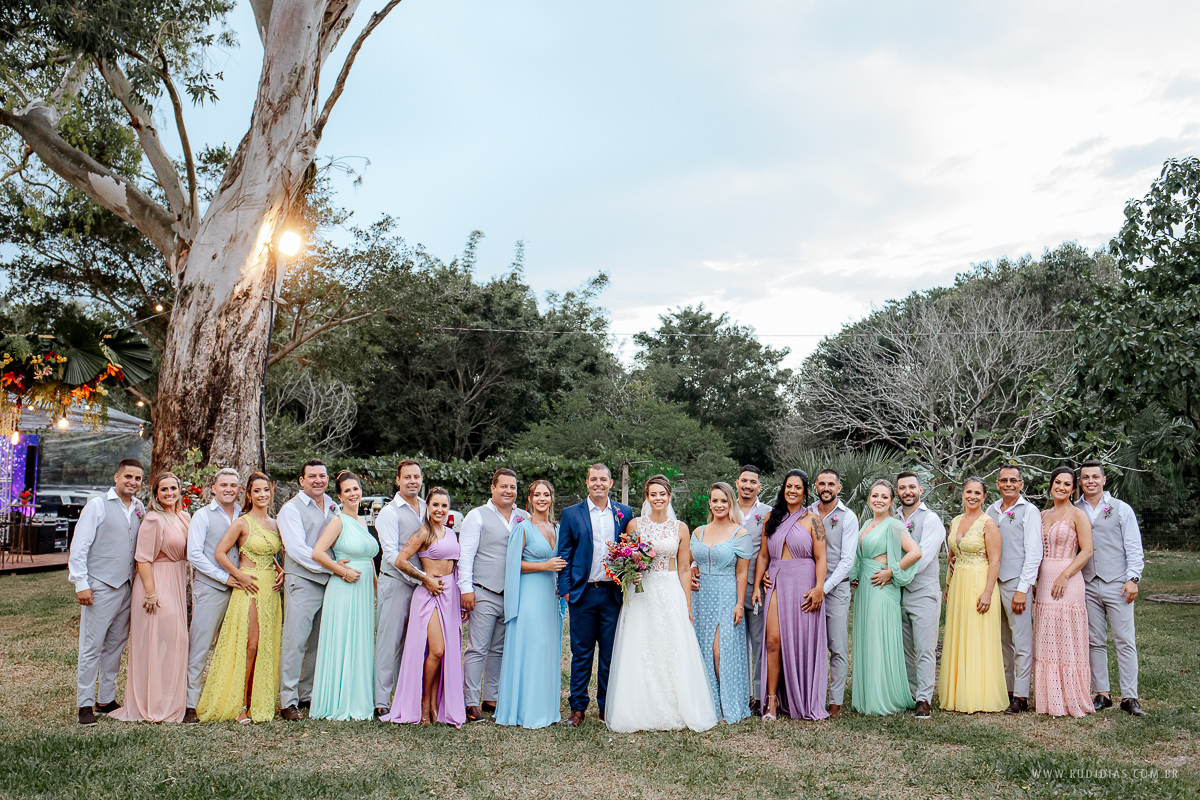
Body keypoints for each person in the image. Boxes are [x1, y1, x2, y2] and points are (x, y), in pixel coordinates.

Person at [606, 475, 717, 732]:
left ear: (669, 496)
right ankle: (640, 709)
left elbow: (684, 569)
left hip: (669, 589)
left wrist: (687, 603)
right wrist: (630, 573)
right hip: (642, 591)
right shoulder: (634, 525)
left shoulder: (680, 528)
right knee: (642, 644)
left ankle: (676, 706)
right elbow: (626, 559)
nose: (658, 498)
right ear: (647, 497)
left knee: (671, 644)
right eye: (653, 494)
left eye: (662, 494)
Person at [196, 472, 285, 723]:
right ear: (248, 494)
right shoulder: (242, 522)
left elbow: (269, 552)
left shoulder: (275, 524)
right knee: (251, 645)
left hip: (270, 589)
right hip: (250, 587)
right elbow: (220, 553)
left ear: (271, 492)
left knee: (265, 645)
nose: (262, 495)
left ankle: (257, 701)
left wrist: (280, 570)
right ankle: (239, 706)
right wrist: (238, 576)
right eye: (257, 491)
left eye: (266, 490)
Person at [556, 463, 634, 727]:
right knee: (581, 653)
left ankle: (606, 706)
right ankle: (577, 708)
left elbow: (630, 549)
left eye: (603, 479)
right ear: (587, 482)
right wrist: (566, 590)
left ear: (611, 483)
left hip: (612, 594)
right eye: (593, 479)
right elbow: (564, 553)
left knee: (610, 654)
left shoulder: (624, 513)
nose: (598, 483)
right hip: (583, 594)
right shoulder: (571, 514)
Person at [69, 459, 145, 726]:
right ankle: (84, 704)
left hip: (127, 586)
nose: (132, 482)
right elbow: (79, 546)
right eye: (128, 477)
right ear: (116, 477)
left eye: (137, 478)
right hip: (100, 585)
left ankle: (106, 699)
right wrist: (81, 583)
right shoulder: (97, 505)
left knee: (115, 645)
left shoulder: (139, 507)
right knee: (92, 646)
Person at [381, 487, 465, 726]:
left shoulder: (451, 534)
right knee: (436, 650)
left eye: (444, 505)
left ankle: (435, 705)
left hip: (450, 595)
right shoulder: (422, 533)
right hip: (430, 595)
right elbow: (400, 560)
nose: (440, 509)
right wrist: (424, 578)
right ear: (427, 507)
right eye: (435, 505)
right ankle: (423, 702)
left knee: (443, 653)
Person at [112, 472, 191, 722]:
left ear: (179, 490)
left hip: (176, 581)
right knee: (159, 642)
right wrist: (150, 592)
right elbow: (143, 558)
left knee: (177, 642)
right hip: (156, 583)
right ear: (156, 494)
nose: (169, 493)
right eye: (163, 489)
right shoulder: (153, 520)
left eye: (173, 488)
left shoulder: (183, 517)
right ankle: (150, 704)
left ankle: (167, 699)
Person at [751, 469, 829, 722]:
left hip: (804, 582)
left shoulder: (813, 520)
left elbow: (821, 558)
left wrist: (819, 588)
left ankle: (801, 696)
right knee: (773, 641)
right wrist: (757, 585)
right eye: (788, 486)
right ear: (783, 489)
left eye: (797, 487)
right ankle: (772, 700)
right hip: (775, 580)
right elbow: (763, 555)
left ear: (805, 492)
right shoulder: (771, 517)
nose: (792, 491)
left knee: (801, 641)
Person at [1075, 461, 1146, 716]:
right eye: (1085, 477)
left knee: (1124, 640)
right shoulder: (1075, 509)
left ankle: (1130, 697)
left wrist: (1133, 578)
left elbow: (1133, 546)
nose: (1090, 481)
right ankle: (1102, 694)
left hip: (1117, 583)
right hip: (1087, 583)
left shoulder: (1121, 508)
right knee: (1095, 641)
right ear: (1080, 481)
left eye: (1095, 476)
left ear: (1104, 480)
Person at [496, 479, 567, 728]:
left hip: (551, 596)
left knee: (547, 648)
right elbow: (513, 564)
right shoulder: (522, 528)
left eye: (546, 494)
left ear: (551, 498)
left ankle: (546, 708)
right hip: (529, 595)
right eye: (537, 495)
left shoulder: (558, 528)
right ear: (530, 499)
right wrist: (544, 565)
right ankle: (525, 710)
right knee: (532, 647)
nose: (542, 499)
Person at [848, 479, 922, 715]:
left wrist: (892, 571)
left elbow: (915, 552)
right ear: (869, 498)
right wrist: (855, 574)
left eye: (884, 497)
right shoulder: (867, 523)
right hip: (865, 587)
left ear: (891, 501)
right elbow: (859, 555)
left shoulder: (894, 525)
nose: (878, 500)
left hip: (882, 588)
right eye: (875, 495)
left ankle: (883, 697)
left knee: (879, 638)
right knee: (867, 637)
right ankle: (867, 694)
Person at [309, 471, 379, 720]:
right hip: (344, 588)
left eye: (356, 489)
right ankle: (338, 700)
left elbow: (369, 559)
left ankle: (358, 697)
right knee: (343, 640)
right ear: (339, 496)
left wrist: (375, 588)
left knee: (359, 640)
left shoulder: (362, 521)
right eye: (347, 490)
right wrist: (342, 571)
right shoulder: (338, 521)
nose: (353, 494)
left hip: (363, 590)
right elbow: (318, 552)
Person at [458, 468, 524, 722]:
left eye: (512, 487)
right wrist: (466, 589)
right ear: (493, 488)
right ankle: (470, 701)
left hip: (511, 594)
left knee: (499, 648)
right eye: (503, 486)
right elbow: (466, 555)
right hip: (483, 591)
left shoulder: (523, 516)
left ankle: (491, 697)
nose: (508, 491)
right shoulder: (477, 516)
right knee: (477, 648)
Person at [938, 477, 1008, 713]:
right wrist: (948, 585)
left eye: (978, 493)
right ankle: (958, 692)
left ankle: (979, 695)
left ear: (984, 496)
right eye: (969, 492)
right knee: (960, 634)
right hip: (959, 583)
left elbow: (995, 561)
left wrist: (987, 592)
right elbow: (952, 555)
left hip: (980, 582)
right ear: (963, 494)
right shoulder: (956, 521)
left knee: (977, 636)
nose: (972, 496)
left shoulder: (988, 524)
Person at [277, 460, 338, 721]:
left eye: (322, 476)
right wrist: (333, 568)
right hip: (302, 580)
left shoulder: (333, 506)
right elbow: (297, 550)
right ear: (301, 481)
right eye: (312, 476)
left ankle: (307, 694)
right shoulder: (290, 509)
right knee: (295, 641)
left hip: (331, 582)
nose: (318, 480)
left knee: (318, 641)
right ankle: (288, 700)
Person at [1034, 467, 1095, 717]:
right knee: (1046, 635)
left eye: (1067, 484)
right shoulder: (1041, 515)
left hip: (1068, 580)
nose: (1061, 487)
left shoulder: (1078, 515)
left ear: (1073, 489)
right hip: (1043, 580)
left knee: (1066, 635)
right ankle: (1049, 699)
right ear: (1051, 485)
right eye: (1057, 482)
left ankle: (1070, 697)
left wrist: (1065, 575)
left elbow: (1087, 551)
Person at [691, 482, 754, 723]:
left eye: (723, 501)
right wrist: (693, 569)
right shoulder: (698, 532)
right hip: (700, 596)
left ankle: (727, 705)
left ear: (731, 503)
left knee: (720, 651)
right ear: (709, 503)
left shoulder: (740, 534)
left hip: (727, 595)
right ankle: (709, 705)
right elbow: (688, 562)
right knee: (702, 650)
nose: (719, 505)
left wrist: (739, 604)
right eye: (715, 500)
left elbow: (742, 572)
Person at [184, 467, 242, 723]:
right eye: (224, 485)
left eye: (233, 485)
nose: (229, 489)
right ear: (214, 489)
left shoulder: (244, 514)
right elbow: (194, 554)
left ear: (239, 489)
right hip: (211, 588)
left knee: (232, 647)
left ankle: (225, 701)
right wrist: (223, 577)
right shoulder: (202, 515)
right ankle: (190, 704)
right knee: (200, 646)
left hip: (240, 590)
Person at [984, 465, 1044, 715]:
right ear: (997, 484)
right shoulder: (990, 510)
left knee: (1021, 640)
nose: (1008, 484)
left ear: (1021, 484)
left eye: (1013, 480)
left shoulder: (1029, 511)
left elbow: (1034, 552)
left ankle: (1021, 695)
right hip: (992, 582)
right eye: (1004, 480)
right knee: (1001, 639)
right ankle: (1006, 689)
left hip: (1015, 581)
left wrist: (1023, 587)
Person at [373, 459, 427, 717]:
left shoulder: (427, 508)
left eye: (416, 476)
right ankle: (381, 700)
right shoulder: (389, 512)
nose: (412, 481)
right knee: (389, 642)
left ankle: (406, 696)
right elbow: (392, 554)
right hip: (396, 582)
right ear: (398, 480)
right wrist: (421, 577)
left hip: (421, 586)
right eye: (407, 477)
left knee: (413, 643)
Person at [895, 471, 948, 719]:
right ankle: (911, 693)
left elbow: (924, 557)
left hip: (923, 592)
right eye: (902, 488)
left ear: (920, 490)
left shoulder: (931, 519)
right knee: (905, 648)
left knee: (925, 648)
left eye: (911, 487)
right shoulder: (893, 518)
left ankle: (924, 699)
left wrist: (894, 573)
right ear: (897, 491)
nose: (907, 492)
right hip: (897, 593)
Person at [809, 468, 859, 718]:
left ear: (839, 488)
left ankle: (835, 701)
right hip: (808, 589)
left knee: (837, 647)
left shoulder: (848, 517)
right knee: (809, 644)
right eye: (822, 484)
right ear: (815, 487)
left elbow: (847, 560)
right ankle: (811, 696)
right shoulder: (806, 513)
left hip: (835, 590)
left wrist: (824, 588)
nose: (826, 488)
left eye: (831, 484)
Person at [733, 465, 772, 712]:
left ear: (759, 486)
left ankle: (758, 695)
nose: (748, 485)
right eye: (744, 481)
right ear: (737, 483)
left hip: (757, 586)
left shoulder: (768, 512)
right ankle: (739, 692)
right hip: (731, 584)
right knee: (736, 641)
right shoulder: (726, 506)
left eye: (753, 482)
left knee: (759, 641)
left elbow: (770, 548)